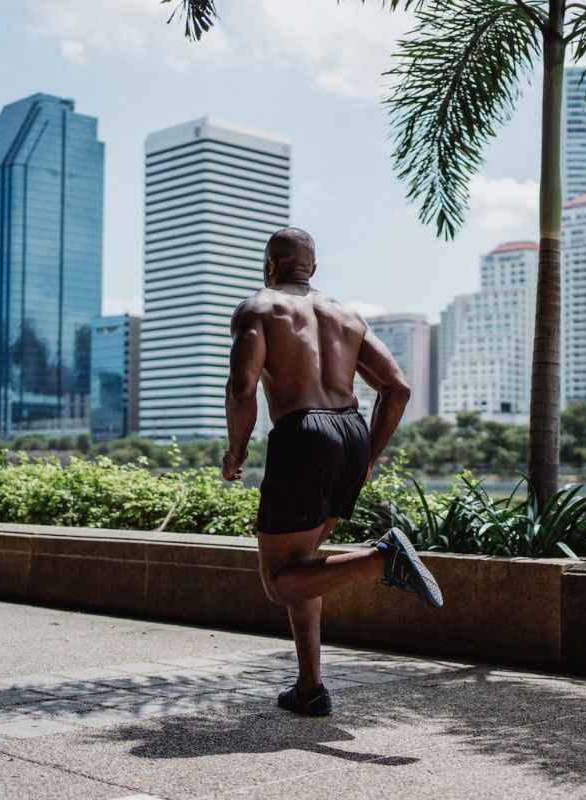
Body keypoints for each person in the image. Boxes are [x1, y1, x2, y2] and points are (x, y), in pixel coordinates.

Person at [221, 227, 443, 717]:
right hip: (351, 432)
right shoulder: (346, 314)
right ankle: (310, 687)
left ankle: (382, 559)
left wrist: (235, 450)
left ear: (270, 266)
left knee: (280, 581)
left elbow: (242, 387)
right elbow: (398, 389)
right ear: (313, 268)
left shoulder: (258, 308)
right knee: (305, 567)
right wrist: (367, 459)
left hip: (303, 434)